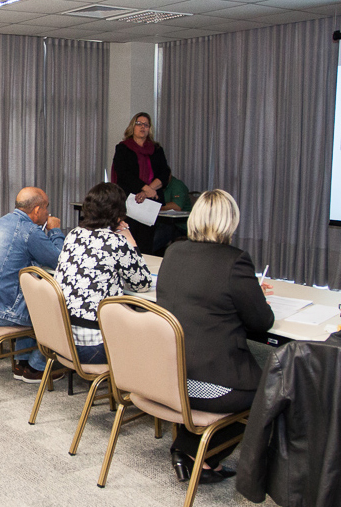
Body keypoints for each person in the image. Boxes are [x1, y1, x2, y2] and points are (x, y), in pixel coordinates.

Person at [156, 189, 274, 484]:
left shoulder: (173, 252)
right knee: (273, 391)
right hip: (212, 386)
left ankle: (187, 447)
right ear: (230, 222)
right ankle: (199, 454)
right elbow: (261, 321)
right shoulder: (235, 261)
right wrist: (252, 293)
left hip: (170, 378)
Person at [0, 186, 66, 383]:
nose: (48, 212)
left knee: (31, 297)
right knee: (55, 308)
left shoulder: (1, 222)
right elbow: (60, 261)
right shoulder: (29, 231)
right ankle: (36, 368)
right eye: (46, 207)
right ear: (37, 210)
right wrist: (55, 231)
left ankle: (22, 362)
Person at [54, 183, 151, 365]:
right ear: (119, 212)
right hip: (94, 346)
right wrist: (130, 240)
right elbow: (142, 283)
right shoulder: (117, 242)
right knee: (151, 339)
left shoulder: (73, 235)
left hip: (61, 340)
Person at [110, 112, 171, 254]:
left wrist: (147, 191)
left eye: (146, 125)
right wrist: (145, 189)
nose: (142, 127)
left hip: (151, 203)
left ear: (149, 129)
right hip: (129, 201)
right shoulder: (123, 148)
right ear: (132, 126)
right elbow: (123, 173)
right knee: (129, 243)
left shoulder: (156, 150)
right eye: (139, 124)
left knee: (146, 244)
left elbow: (164, 173)